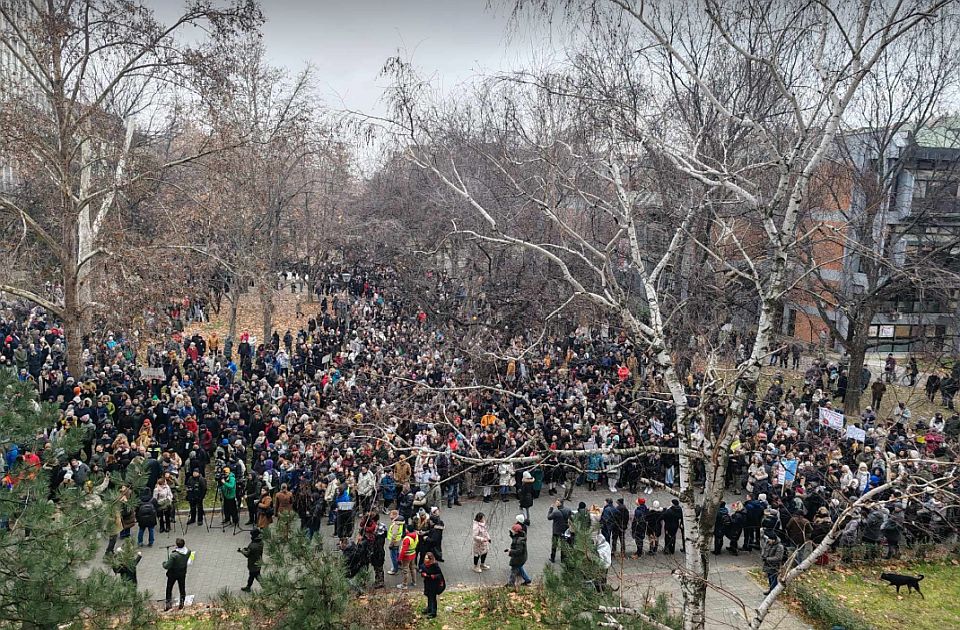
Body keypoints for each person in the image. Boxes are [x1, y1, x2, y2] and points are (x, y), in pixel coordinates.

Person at [163, 538, 191, 611]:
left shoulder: (174, 555)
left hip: (173, 573)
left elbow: (167, 566)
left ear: (177, 545)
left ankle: (168, 604)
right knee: (182, 587)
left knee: (169, 588)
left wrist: (164, 563)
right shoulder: (188, 551)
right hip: (182, 572)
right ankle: (182, 603)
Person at [420, 552, 445, 619]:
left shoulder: (435, 565)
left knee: (432, 598)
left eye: (426, 558)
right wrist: (423, 574)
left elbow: (439, 575)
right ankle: (429, 608)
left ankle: (433, 612)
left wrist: (432, 576)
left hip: (433, 584)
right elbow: (422, 571)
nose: (425, 559)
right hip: (427, 583)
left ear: (430, 559)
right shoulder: (424, 565)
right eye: (425, 558)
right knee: (428, 596)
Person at [506, 523, 531, 587]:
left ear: (516, 532)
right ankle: (527, 580)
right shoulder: (521, 536)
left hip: (518, 559)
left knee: (514, 570)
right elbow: (515, 538)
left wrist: (510, 550)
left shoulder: (519, 542)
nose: (512, 531)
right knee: (520, 568)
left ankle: (510, 584)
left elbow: (518, 551)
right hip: (522, 557)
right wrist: (511, 535)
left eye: (513, 531)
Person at [547, 499, 572, 563]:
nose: (556, 503)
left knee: (554, 544)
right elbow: (571, 517)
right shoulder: (568, 510)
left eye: (557, 502)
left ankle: (553, 558)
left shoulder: (555, 512)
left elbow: (549, 517)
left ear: (559, 504)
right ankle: (563, 559)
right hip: (564, 530)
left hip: (556, 530)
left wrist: (551, 509)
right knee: (563, 544)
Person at [398, 523, 419, 589]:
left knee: (405, 570)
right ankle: (414, 582)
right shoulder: (416, 535)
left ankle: (404, 584)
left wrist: (399, 558)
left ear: (407, 530)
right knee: (413, 568)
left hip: (406, 556)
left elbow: (404, 550)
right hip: (413, 554)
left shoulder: (407, 538)